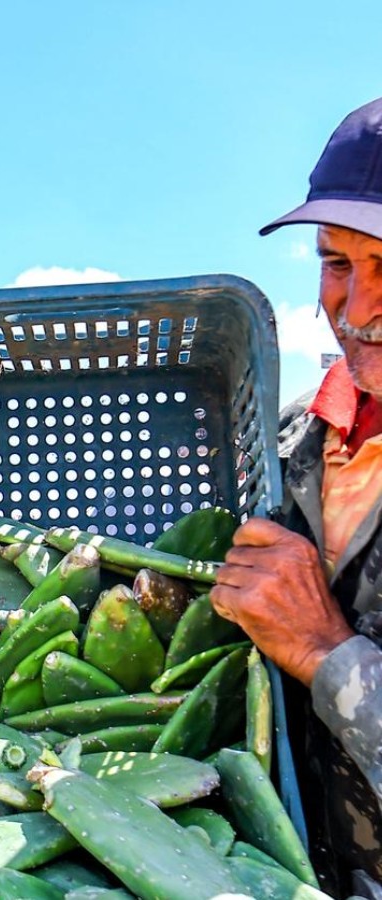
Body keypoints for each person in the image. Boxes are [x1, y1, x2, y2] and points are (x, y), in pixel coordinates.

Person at [213, 96, 382, 895]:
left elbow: (310, 646)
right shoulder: (284, 446)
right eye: (338, 264)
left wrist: (325, 650)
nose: (356, 310)